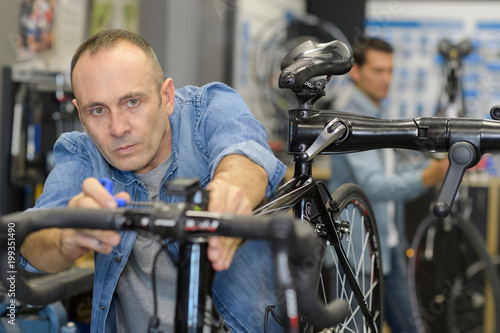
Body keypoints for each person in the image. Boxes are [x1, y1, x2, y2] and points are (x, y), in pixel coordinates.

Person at [19, 29, 287, 332]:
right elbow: (30, 238)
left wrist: (229, 187)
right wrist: (66, 237)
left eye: (132, 102)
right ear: (81, 116)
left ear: (167, 96)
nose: (117, 128)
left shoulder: (208, 107)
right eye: (97, 110)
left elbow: (245, 155)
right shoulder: (82, 154)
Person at [329, 36, 449, 332]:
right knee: (359, 328)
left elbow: (393, 164)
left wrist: (432, 163)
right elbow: (376, 185)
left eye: (390, 71)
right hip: (357, 254)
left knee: (410, 326)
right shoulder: (350, 116)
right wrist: (428, 177)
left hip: (389, 245)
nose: (387, 79)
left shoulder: (374, 109)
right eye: (378, 71)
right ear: (355, 71)